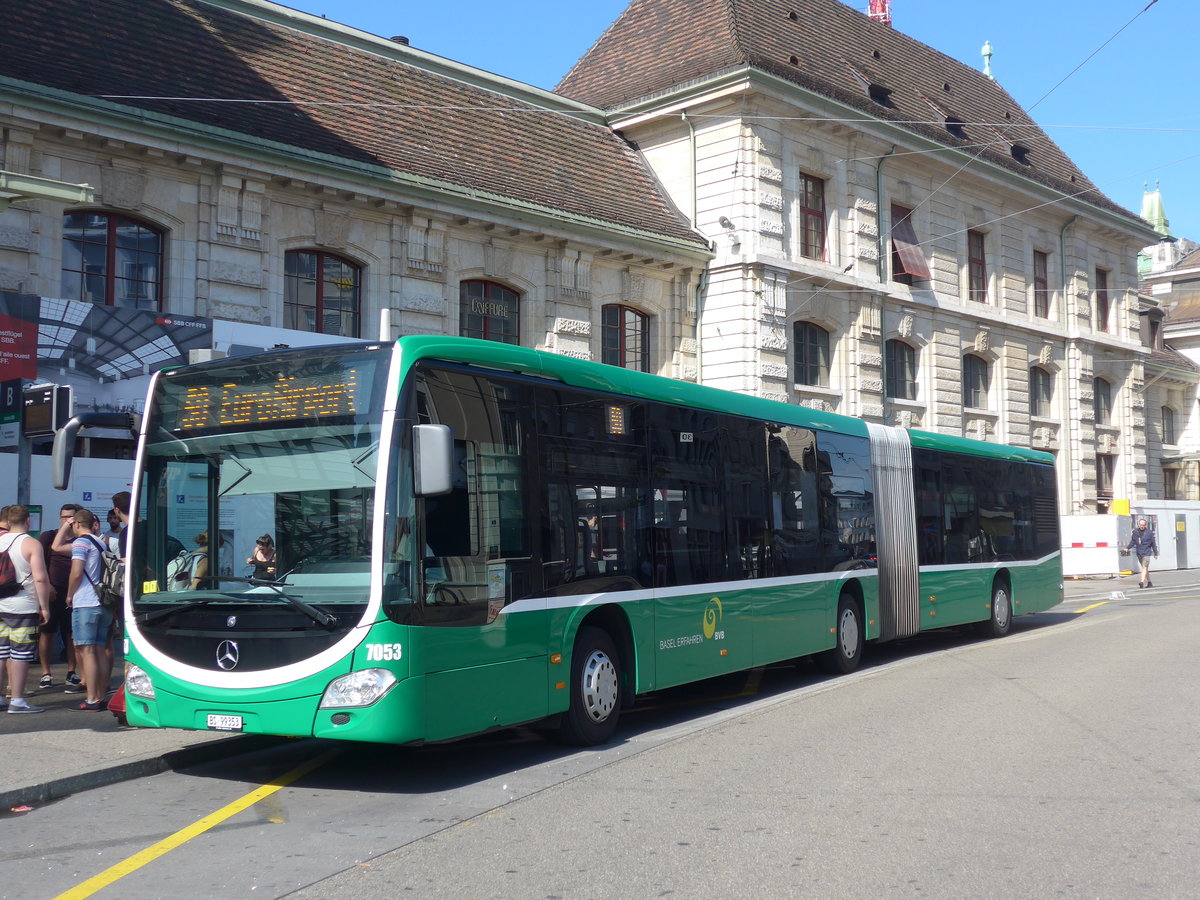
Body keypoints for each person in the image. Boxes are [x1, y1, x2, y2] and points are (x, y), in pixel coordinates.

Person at [0, 505, 52, 714]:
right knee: (20, 654)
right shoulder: (31, 543)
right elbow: (40, 577)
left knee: (1, 652)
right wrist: (45, 607)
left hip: (0, 604)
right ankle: (18, 701)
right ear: (28, 521)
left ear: (8, 521)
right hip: (23, 606)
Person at [65, 508, 114, 710]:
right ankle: (101, 696)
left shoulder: (81, 542)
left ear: (76, 524)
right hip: (104, 603)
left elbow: (77, 572)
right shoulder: (100, 542)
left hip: (85, 602)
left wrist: (69, 595)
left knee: (87, 652)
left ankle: (92, 698)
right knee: (100, 650)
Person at [37, 503, 83, 689]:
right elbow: (38, 564)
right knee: (47, 633)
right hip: (52, 592)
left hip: (74, 593)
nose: (67, 520)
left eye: (70, 517)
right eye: (64, 517)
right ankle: (45, 674)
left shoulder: (80, 540)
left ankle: (71, 672)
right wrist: (47, 586)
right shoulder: (48, 537)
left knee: (71, 634)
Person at [1127, 517, 1159, 588]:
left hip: (1147, 552)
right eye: (1141, 524)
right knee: (1145, 568)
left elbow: (1153, 543)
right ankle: (1149, 582)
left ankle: (1141, 582)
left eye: (1143, 525)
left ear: (1145, 525)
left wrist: (1155, 553)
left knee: (1144, 567)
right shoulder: (1135, 532)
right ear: (1138, 524)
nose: (1142, 526)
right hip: (1139, 553)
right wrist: (1127, 548)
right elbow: (1133, 542)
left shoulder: (1149, 532)